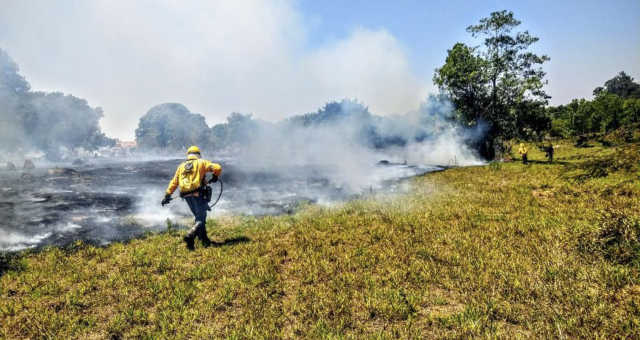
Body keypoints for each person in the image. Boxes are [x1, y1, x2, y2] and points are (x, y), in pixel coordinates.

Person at [162, 146, 222, 250]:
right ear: (198, 154)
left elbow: (174, 182)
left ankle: (204, 240)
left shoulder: (181, 166)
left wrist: (167, 195)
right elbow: (217, 168)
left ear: (188, 155)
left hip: (185, 195)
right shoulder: (201, 162)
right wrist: (215, 176)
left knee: (199, 216)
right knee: (201, 217)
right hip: (197, 194)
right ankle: (190, 235)